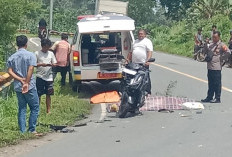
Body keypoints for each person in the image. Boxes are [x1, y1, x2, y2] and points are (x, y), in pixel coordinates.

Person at [7, 35, 40, 134]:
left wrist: (20, 79)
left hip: (18, 86)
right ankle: (32, 129)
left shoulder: (12, 57)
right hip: (29, 86)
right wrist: (26, 82)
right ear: (26, 44)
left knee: (22, 108)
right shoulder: (31, 55)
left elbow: (10, 71)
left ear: (17, 44)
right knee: (35, 107)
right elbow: (31, 68)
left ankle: (22, 131)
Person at [201, 31, 231, 103]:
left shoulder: (221, 45)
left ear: (219, 37)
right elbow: (204, 51)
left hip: (217, 67)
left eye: (215, 37)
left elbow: (228, 52)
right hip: (210, 66)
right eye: (213, 37)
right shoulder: (210, 44)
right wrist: (206, 43)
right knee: (210, 83)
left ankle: (217, 98)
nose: (214, 38)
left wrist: (221, 58)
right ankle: (209, 97)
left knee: (217, 83)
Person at [127, 29, 153, 94]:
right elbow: (131, 52)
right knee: (134, 77)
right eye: (139, 34)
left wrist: (148, 60)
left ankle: (147, 91)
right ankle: (136, 91)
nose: (140, 35)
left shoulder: (147, 41)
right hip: (134, 64)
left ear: (145, 35)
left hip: (143, 63)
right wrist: (127, 60)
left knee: (145, 78)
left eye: (142, 34)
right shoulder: (135, 42)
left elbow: (149, 52)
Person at [35, 39, 57, 114]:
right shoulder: (37, 53)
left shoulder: (51, 53)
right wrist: (41, 64)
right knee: (39, 94)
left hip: (49, 76)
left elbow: (55, 62)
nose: (47, 49)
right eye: (46, 47)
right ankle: (37, 110)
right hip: (40, 76)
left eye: (48, 47)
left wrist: (53, 65)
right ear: (42, 46)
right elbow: (34, 64)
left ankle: (48, 110)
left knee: (49, 94)